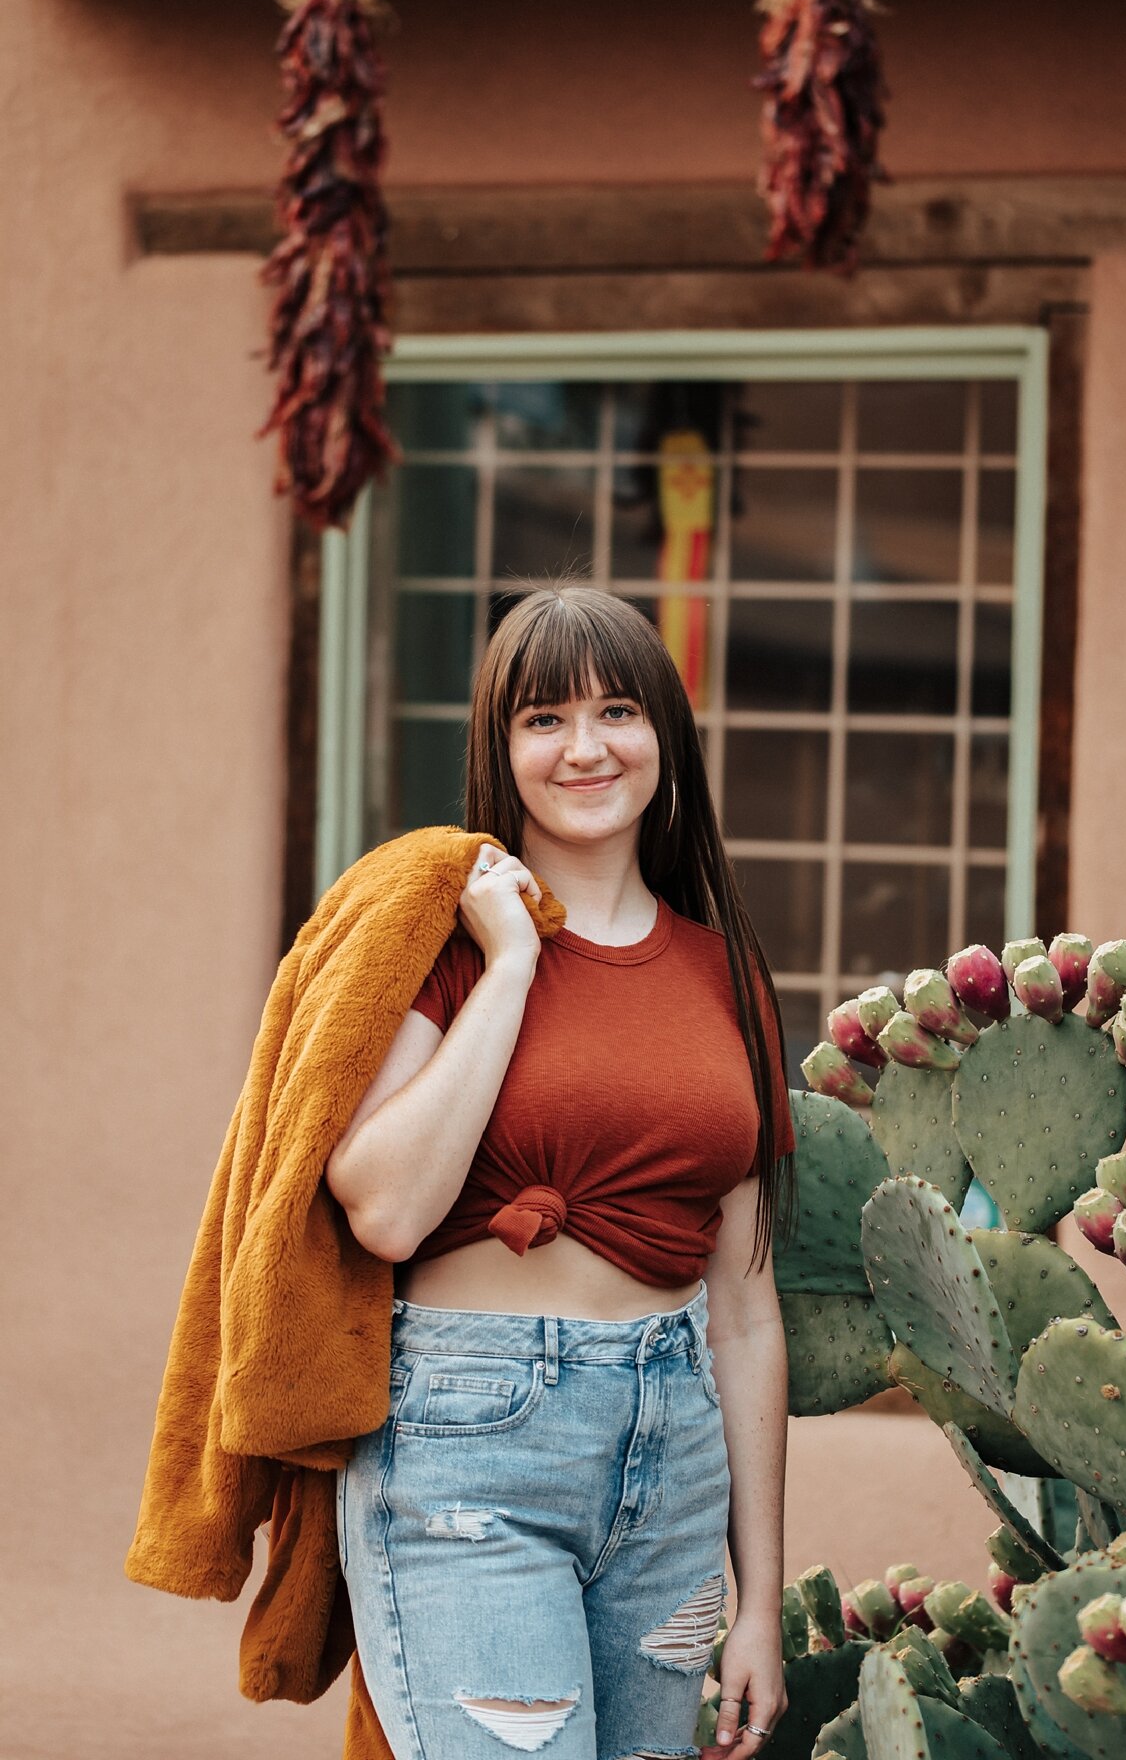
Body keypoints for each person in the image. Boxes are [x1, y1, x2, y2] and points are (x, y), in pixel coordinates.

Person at [324, 585, 798, 1760]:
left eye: (618, 709)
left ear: (665, 738)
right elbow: (383, 1207)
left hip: (674, 1459)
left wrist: (763, 1603)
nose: (585, 746)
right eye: (544, 718)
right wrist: (512, 959)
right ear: (501, 747)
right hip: (470, 1447)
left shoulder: (726, 972)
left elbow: (742, 1309)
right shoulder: (437, 947)